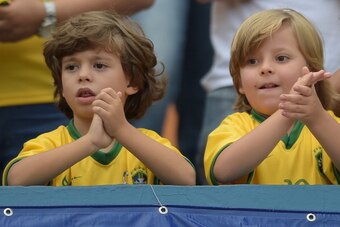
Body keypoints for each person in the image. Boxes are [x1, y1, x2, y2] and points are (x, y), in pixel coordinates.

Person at [2, 10, 196, 186]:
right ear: (61, 86)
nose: (83, 75)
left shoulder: (148, 143)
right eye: (71, 67)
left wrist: (121, 130)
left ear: (132, 82)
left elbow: (186, 179)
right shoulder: (51, 143)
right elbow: (16, 180)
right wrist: (91, 143)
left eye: (99, 65)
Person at [196, 0, 340, 184]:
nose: (265, 68)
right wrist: (289, 111)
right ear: (239, 82)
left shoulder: (327, 123)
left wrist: (318, 118)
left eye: (281, 58)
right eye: (252, 62)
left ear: (311, 69)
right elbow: (223, 172)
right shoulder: (235, 126)